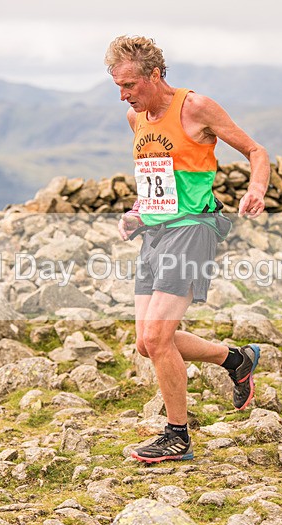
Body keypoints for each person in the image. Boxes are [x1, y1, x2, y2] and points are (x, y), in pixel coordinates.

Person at [105, 35, 270, 463]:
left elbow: (256, 151)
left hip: (193, 229)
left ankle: (177, 436)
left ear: (155, 74)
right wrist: (139, 212)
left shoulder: (194, 107)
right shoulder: (134, 117)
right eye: (117, 86)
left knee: (159, 337)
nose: (122, 95)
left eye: (129, 85)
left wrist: (257, 188)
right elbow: (157, 181)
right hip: (155, 233)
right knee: (146, 342)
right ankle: (235, 360)